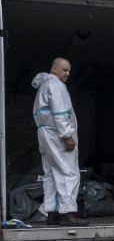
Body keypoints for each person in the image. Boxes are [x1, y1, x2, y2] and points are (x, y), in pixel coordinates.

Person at [31, 58, 88, 226]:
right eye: (64, 70)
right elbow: (60, 112)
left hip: (45, 134)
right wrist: (67, 135)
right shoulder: (56, 85)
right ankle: (68, 213)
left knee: (51, 174)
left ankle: (53, 213)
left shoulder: (44, 85)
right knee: (68, 172)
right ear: (54, 69)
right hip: (56, 135)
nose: (68, 74)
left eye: (69, 71)